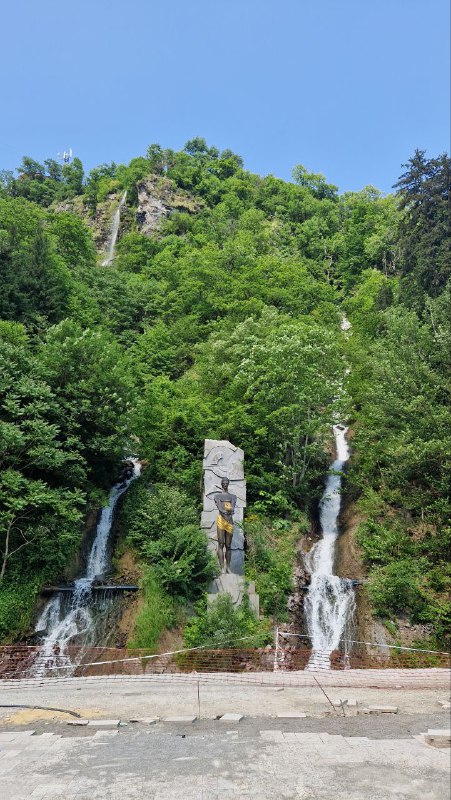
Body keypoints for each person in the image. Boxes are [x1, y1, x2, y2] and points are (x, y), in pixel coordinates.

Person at [214, 477, 236, 573]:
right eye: (224, 483)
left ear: (228, 484)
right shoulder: (217, 496)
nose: (225, 484)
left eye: (227, 483)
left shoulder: (233, 497)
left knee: (228, 545)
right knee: (221, 543)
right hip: (221, 520)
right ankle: (221, 567)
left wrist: (230, 511)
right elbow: (220, 508)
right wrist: (227, 511)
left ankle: (228, 567)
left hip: (229, 520)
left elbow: (233, 508)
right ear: (221, 484)